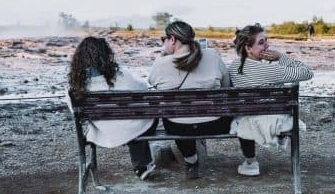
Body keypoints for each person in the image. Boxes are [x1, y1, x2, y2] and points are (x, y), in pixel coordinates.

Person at [148, 20, 254, 179]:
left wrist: (163, 56)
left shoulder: (161, 63)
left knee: (180, 120)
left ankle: (191, 161)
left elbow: (152, 83)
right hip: (217, 124)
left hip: (178, 127)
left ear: (172, 39)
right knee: (240, 114)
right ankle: (251, 161)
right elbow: (227, 86)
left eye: (165, 39)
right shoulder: (211, 55)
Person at [228, 23, 314, 176]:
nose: (267, 45)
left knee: (245, 115)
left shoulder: (234, 67)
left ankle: (251, 162)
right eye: (261, 42)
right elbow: (307, 72)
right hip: (272, 119)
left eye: (266, 40)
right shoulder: (270, 70)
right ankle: (280, 135)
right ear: (248, 48)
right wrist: (281, 57)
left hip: (247, 119)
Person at [67, 36, 156, 180]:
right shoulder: (121, 75)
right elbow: (143, 89)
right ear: (106, 54)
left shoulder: (76, 86)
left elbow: (75, 111)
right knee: (139, 121)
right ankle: (141, 165)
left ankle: (143, 165)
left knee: (131, 123)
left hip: (104, 131)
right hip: (132, 126)